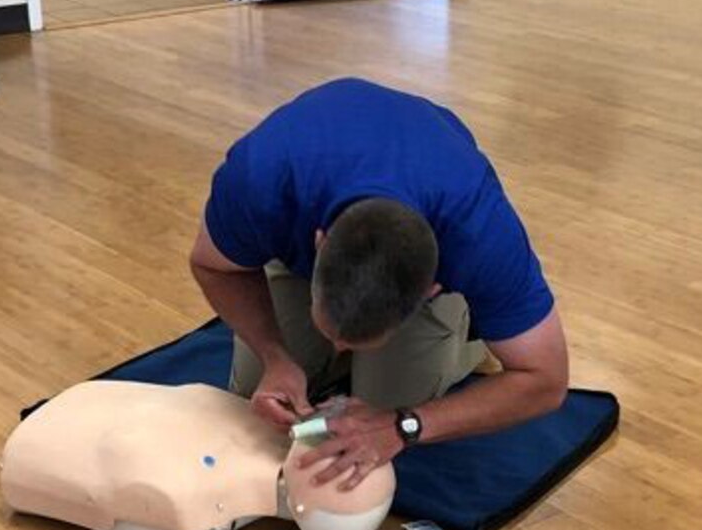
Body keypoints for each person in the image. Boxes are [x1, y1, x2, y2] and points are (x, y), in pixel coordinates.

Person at [189, 78, 568, 491]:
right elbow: (212, 266)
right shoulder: (260, 179)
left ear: (428, 290)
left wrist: (405, 425)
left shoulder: (480, 232)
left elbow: (545, 381)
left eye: (350, 344)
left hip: (443, 237)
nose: (339, 350)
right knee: (254, 409)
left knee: (385, 411)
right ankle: (335, 354)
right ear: (318, 243)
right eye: (335, 336)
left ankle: (472, 334)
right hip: (305, 195)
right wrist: (274, 355)